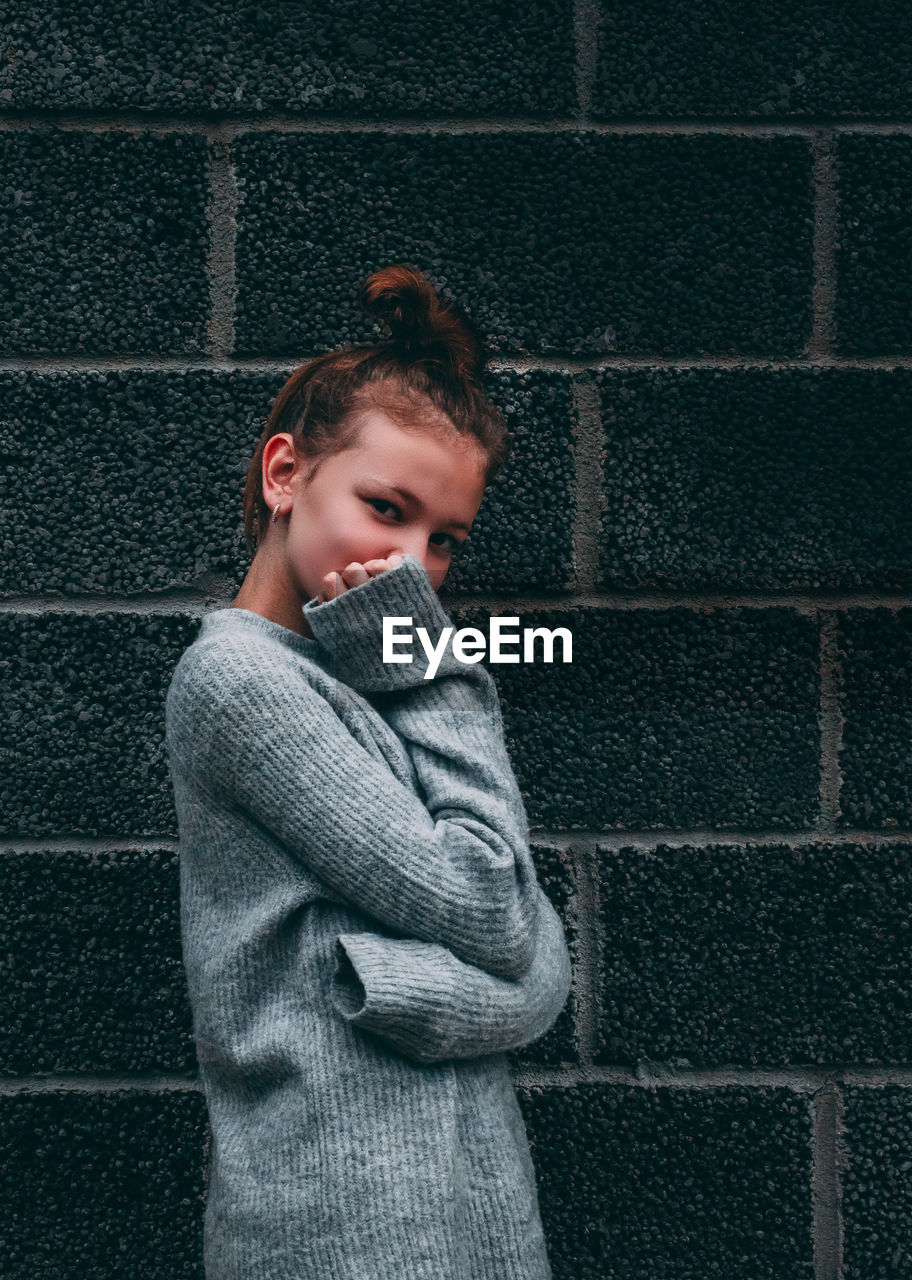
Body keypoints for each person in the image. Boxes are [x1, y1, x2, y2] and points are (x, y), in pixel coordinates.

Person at [164, 262, 572, 1279]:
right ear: (284, 473)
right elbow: (493, 911)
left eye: (444, 540)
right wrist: (430, 668)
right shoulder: (239, 680)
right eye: (385, 507)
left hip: (473, 1205)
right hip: (339, 1221)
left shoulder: (366, 669)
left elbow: (530, 940)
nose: (412, 565)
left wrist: (424, 987)